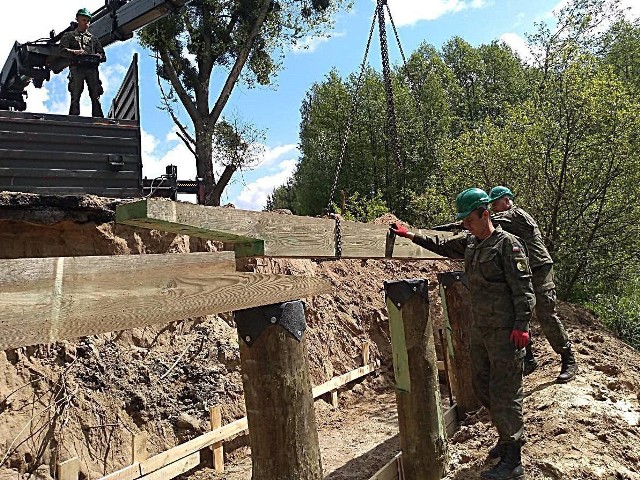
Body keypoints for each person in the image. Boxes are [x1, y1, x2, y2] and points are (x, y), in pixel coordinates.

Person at [391, 188, 533, 480]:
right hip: (481, 330)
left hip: (506, 332)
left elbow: (524, 290)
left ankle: (513, 458)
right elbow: (441, 244)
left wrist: (522, 325)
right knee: (481, 385)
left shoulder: (508, 245)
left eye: (469, 219)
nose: (465, 225)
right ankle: (507, 437)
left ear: (485, 214)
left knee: (505, 392)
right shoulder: (471, 244)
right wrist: (410, 235)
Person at [488, 186, 577, 383]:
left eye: (495, 203)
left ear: (507, 200)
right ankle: (528, 359)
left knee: (545, 312)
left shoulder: (516, 214)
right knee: (520, 310)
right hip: (524, 268)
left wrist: (470, 220)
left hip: (539, 266)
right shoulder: (504, 219)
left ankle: (568, 357)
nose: (493, 208)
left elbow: (489, 223)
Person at [59, 8, 106, 117]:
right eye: (84, 20)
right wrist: (74, 52)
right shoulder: (69, 36)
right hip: (77, 68)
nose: (86, 23)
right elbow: (61, 50)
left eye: (88, 21)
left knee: (95, 93)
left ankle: (98, 117)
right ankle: (74, 117)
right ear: (78, 20)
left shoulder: (93, 39)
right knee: (76, 93)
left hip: (91, 68)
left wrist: (98, 56)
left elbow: (103, 55)